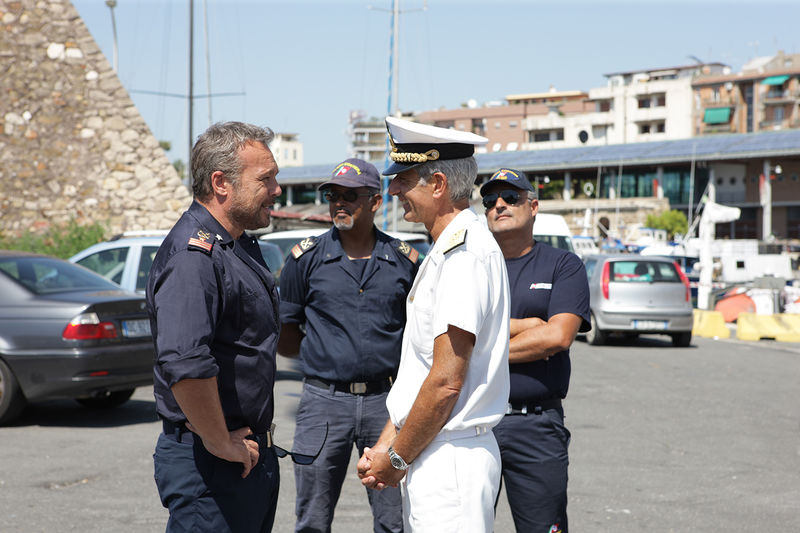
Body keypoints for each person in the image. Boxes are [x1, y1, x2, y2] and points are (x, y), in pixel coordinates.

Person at [357, 117, 510, 532]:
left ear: (438, 183)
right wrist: (389, 443)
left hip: (450, 458)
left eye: (402, 179)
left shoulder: (464, 256)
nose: (392, 191)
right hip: (435, 449)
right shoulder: (449, 250)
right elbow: (421, 372)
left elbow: (446, 382)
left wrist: (396, 459)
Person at [146, 121, 282, 533]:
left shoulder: (234, 244)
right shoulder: (195, 256)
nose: (277, 189)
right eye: (266, 179)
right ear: (221, 183)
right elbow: (186, 363)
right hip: (211, 462)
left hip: (242, 456)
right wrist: (220, 440)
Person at [278, 158, 419, 533]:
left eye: (351, 196)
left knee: (393, 519)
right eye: (333, 195)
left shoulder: (405, 262)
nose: (340, 203)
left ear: (375, 202)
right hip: (324, 402)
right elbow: (286, 333)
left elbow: (419, 335)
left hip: (387, 404)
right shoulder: (304, 259)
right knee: (312, 519)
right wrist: (327, 357)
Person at [480, 168, 590, 533]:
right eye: (491, 200)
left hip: (536, 426)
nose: (499, 205)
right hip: (474, 423)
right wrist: (528, 326)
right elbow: (448, 338)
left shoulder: (563, 264)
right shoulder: (472, 266)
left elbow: (557, 338)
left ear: (533, 206)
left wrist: (479, 348)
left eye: (510, 198)